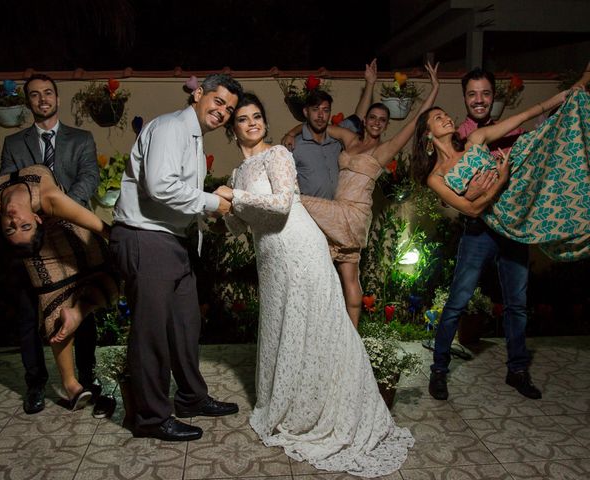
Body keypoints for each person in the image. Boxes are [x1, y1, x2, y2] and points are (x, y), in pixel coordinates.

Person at [216, 92, 413, 478]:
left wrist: (234, 197)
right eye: (243, 118)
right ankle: (288, 402)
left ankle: (322, 408)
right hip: (270, 259)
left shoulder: (278, 156)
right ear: (232, 128)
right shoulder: (238, 173)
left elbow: (282, 203)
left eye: (258, 116)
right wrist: (222, 209)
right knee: (284, 328)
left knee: (316, 326)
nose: (253, 123)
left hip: (299, 248)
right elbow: (240, 225)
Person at [411, 67, 590, 401]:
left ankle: (517, 370)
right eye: (438, 117)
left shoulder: (477, 139)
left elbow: (530, 113)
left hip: (511, 229)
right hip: (478, 233)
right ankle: (439, 370)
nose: (447, 117)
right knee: (456, 304)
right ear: (427, 133)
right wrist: (497, 184)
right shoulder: (435, 176)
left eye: (446, 114)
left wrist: (573, 89)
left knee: (517, 304)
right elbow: (472, 210)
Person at [110, 73, 243, 442]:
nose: (223, 112)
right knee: (151, 333)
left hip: (172, 241)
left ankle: (190, 398)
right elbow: (160, 186)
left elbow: (180, 198)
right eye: (218, 102)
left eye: (229, 109)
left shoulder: (195, 141)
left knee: (185, 325)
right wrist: (214, 201)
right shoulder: (171, 127)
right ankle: (151, 418)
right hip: (145, 237)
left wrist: (211, 217)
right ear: (199, 94)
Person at [0, 165, 117, 410]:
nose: (15, 220)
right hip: (40, 251)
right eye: (10, 228)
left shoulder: (49, 200)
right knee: (54, 304)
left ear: (37, 218)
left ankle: (79, 313)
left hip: (71, 232)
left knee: (107, 277)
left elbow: (98, 227)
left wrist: (128, 247)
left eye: (21, 226)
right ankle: (71, 384)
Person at [0, 73, 113, 417]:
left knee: (82, 307)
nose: (42, 99)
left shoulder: (81, 138)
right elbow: (6, 182)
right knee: (28, 313)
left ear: (57, 99)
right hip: (28, 242)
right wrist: (33, 215)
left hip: (73, 239)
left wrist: (59, 209)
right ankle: (36, 383)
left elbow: (90, 178)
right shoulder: (14, 143)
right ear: (28, 102)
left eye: (48, 93)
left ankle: (88, 376)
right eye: (34, 95)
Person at [300, 62, 439, 327]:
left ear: (386, 126)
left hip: (352, 213)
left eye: (382, 120)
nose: (376, 123)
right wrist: (290, 133)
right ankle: (344, 336)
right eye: (372, 118)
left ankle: (344, 336)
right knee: (346, 275)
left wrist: (435, 88)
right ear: (364, 121)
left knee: (297, 200)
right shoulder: (350, 139)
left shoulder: (384, 150)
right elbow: (317, 125)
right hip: (339, 213)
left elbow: (416, 121)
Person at [282, 59, 378, 200]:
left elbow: (359, 117)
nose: (320, 115)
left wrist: (370, 83)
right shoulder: (294, 146)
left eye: (325, 110)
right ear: (305, 112)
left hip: (337, 213)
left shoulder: (338, 136)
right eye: (315, 110)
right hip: (309, 215)